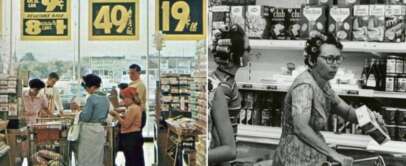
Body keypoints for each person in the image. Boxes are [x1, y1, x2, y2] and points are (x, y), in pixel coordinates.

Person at [272, 32, 387, 166]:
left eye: (338, 59)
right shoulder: (304, 86)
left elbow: (347, 112)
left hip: (312, 157)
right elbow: (300, 127)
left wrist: (370, 117)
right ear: (312, 60)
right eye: (329, 59)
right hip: (293, 157)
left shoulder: (323, 84)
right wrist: (333, 154)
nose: (335, 64)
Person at [208, 24, 251, 166]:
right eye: (247, 50)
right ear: (235, 55)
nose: (250, 53)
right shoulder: (224, 87)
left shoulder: (218, 80)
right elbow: (220, 140)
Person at [77, 74, 109, 166]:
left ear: (93, 87)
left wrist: (79, 113)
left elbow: (86, 117)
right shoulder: (105, 98)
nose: (86, 89)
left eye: (87, 87)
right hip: (100, 129)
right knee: (97, 157)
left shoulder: (91, 98)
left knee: (86, 158)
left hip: (89, 131)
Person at [110, 87, 145, 166]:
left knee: (131, 161)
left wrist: (116, 115)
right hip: (134, 137)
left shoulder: (132, 108)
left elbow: (125, 125)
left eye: (125, 98)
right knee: (135, 160)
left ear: (131, 98)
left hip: (131, 138)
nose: (123, 100)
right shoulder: (134, 107)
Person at [128, 64, 147, 129]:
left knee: (136, 135)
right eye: (129, 73)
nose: (130, 75)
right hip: (133, 113)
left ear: (139, 73)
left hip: (138, 114)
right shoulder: (131, 84)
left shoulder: (140, 85)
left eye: (132, 73)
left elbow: (136, 101)